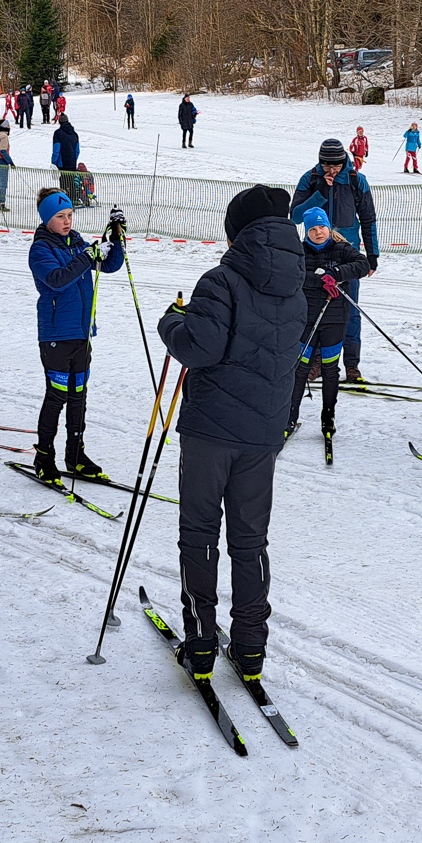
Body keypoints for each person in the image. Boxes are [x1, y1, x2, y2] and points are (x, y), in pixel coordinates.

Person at [156, 185, 305, 684]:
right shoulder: (296, 285)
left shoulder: (221, 279)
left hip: (211, 431)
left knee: (198, 535)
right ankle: (250, 645)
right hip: (262, 434)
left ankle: (200, 641)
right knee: (249, 541)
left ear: (237, 232)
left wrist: (172, 323)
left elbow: (200, 348)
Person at [27, 191, 126, 483]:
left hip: (82, 333)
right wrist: (86, 256)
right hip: (57, 334)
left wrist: (115, 236)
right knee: (56, 396)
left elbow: (110, 265)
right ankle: (44, 456)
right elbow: (57, 280)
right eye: (60, 216)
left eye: (70, 215)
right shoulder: (41, 249)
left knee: (78, 396)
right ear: (47, 218)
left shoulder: (78, 243)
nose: (67, 221)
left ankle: (75, 454)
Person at [291, 138, 380, 381]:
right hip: (316, 252)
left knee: (350, 310)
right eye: (327, 165)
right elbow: (296, 216)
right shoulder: (309, 179)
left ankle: (352, 364)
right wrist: (319, 194)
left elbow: (368, 219)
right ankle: (316, 361)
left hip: (346, 253)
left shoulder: (355, 180)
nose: (332, 170)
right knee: (317, 310)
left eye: (337, 165)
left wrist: (371, 255)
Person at [286, 207, 371, 445]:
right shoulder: (299, 252)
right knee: (300, 369)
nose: (318, 232)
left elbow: (362, 265)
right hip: (306, 319)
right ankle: (289, 418)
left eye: (321, 227)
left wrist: (337, 273)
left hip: (334, 318)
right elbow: (294, 276)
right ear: (306, 232)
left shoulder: (340, 248)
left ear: (328, 227)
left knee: (331, 370)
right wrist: (319, 279)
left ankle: (328, 417)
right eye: (312, 229)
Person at [51, 108, 81, 196]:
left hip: (62, 163)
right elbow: (77, 150)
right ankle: (72, 199)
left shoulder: (58, 133)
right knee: (72, 182)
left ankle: (64, 200)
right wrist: (73, 159)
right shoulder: (74, 134)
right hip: (72, 162)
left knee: (63, 182)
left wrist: (54, 162)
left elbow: (56, 149)